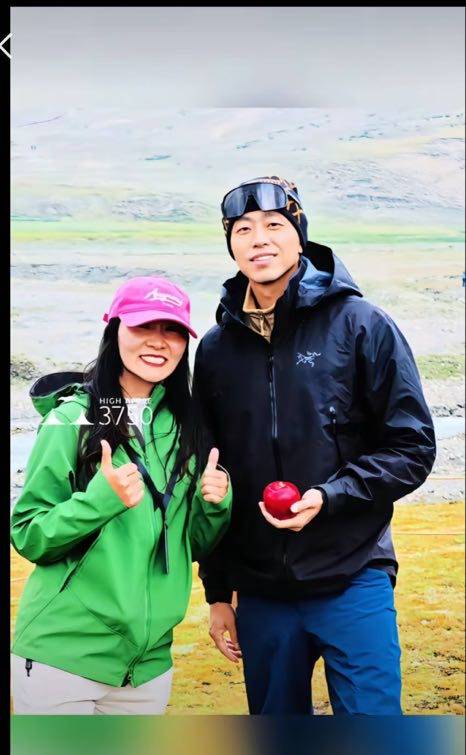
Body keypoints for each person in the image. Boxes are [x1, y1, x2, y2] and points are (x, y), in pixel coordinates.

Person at [193, 175, 436, 715]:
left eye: (274, 225)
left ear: (299, 235)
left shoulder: (362, 325)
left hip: (354, 575)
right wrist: (218, 591)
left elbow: (412, 447)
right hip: (261, 591)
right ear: (230, 244)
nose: (259, 239)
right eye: (242, 229)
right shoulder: (216, 349)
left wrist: (331, 496)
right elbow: (211, 474)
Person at [11, 275, 232, 715]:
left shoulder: (186, 426)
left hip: (147, 668)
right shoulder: (71, 419)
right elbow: (29, 534)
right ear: (114, 330)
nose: (158, 341)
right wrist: (99, 503)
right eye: (143, 326)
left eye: (172, 330)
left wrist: (215, 505)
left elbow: (192, 545)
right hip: (63, 657)